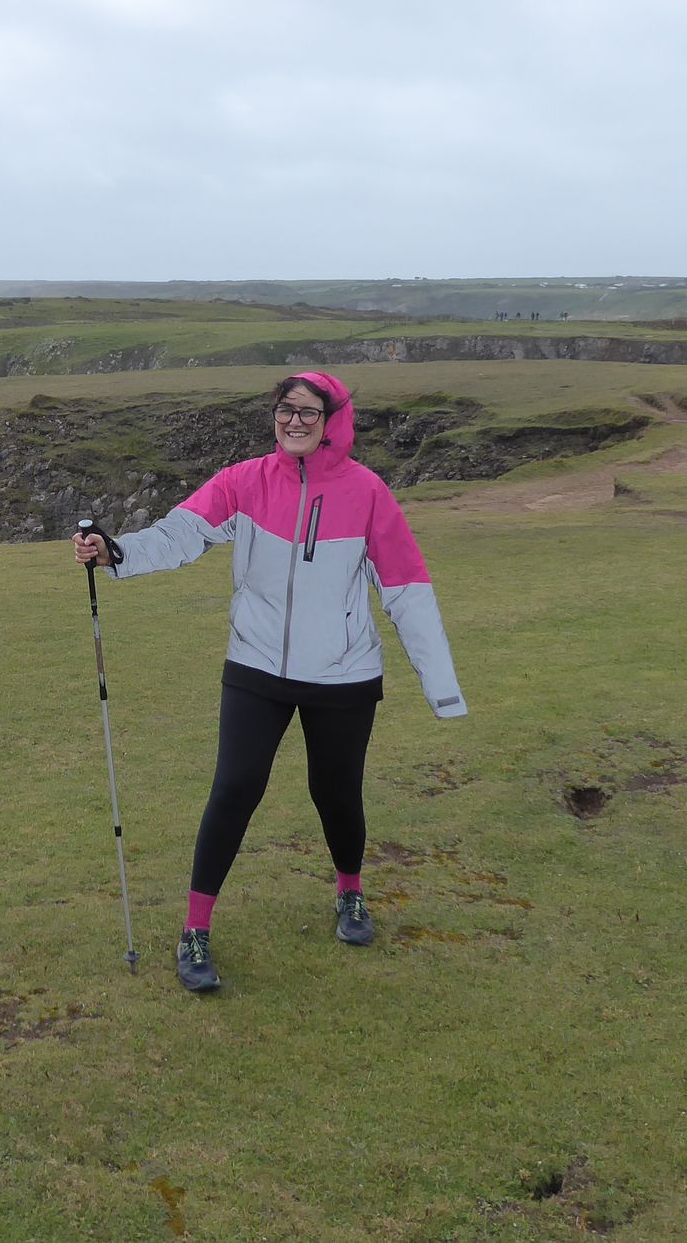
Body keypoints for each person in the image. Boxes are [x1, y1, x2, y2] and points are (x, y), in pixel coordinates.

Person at [71, 371, 468, 994]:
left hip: (343, 676)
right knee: (234, 788)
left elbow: (408, 592)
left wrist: (442, 690)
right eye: (286, 410)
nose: (296, 421)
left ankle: (351, 892)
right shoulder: (243, 481)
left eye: (311, 412)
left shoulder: (368, 494)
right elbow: (181, 533)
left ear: (334, 419)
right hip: (256, 667)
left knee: (336, 795)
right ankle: (195, 931)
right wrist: (116, 553)